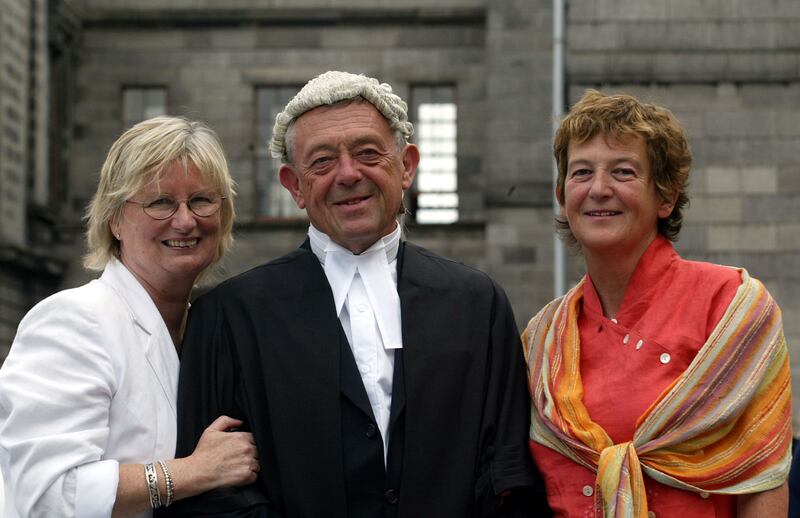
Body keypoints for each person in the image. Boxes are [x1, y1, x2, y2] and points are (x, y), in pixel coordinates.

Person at [161, 71, 550, 517]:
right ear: (293, 185)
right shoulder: (228, 317)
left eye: (368, 153)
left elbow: (509, 473)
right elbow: (213, 497)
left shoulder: (477, 305)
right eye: (322, 162)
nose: (348, 174)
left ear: (406, 166)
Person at [522, 90, 792, 517]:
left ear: (665, 197)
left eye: (623, 172)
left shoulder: (730, 307)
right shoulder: (542, 340)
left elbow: (763, 478)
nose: (598, 188)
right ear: (562, 195)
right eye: (581, 173)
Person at [0, 116, 260, 517]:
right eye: (160, 202)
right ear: (115, 219)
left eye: (202, 200)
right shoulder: (74, 321)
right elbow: (48, 495)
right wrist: (191, 472)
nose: (186, 220)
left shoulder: (205, 331)